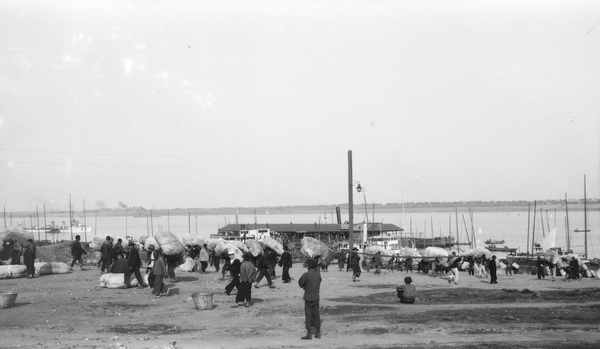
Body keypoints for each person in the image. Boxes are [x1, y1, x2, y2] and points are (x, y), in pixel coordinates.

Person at [298, 258, 322, 340]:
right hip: (316, 297)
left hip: (308, 297)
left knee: (308, 315)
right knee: (316, 314)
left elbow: (300, 283)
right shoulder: (318, 274)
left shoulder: (306, 275)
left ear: (308, 266)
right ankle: (318, 332)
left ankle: (309, 334)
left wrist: (306, 287)